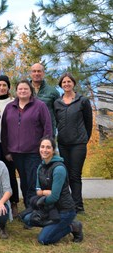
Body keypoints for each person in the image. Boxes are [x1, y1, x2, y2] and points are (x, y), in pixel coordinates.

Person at [22, 137, 84, 245]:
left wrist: (41, 199)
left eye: (48, 147)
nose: (44, 150)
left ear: (53, 150)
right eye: (42, 147)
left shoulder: (58, 169)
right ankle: (54, 227)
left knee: (43, 240)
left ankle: (73, 226)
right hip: (50, 208)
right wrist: (44, 193)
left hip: (64, 210)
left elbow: (54, 197)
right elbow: (37, 190)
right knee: (27, 219)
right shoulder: (40, 167)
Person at [1, 80, 53, 209]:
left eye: (25, 89)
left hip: (33, 152)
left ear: (31, 91)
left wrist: (45, 150)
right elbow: (4, 130)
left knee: (32, 182)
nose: (23, 91)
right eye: (20, 89)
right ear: (16, 91)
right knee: (23, 182)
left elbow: (48, 128)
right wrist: (6, 151)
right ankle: (28, 207)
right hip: (15, 153)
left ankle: (32, 210)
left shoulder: (40, 106)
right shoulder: (9, 107)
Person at [54, 73, 93, 214]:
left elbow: (88, 123)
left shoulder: (83, 101)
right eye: (64, 82)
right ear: (61, 85)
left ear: (73, 83)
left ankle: (78, 206)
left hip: (78, 144)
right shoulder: (57, 103)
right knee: (66, 174)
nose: (66, 84)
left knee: (75, 175)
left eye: (69, 81)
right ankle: (68, 203)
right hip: (63, 143)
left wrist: (84, 139)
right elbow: (57, 122)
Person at [0, 75, 19, 215]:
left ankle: (14, 202)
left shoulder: (14, 102)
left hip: (9, 144)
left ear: (8, 87)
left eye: (4, 85)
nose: (1, 88)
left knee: (10, 174)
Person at [30, 63, 60, 135]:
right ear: (30, 73)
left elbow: (59, 115)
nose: (36, 73)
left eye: (39, 71)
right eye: (34, 71)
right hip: (29, 134)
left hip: (48, 134)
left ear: (43, 73)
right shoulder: (23, 91)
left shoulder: (53, 92)